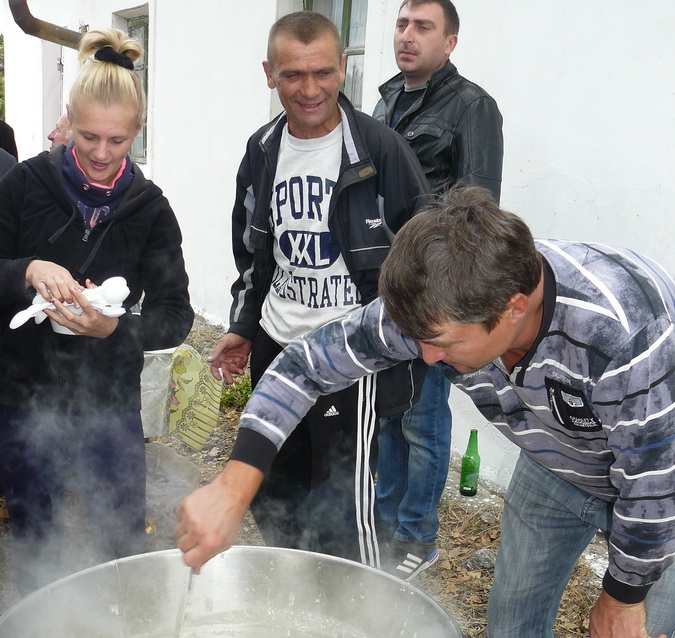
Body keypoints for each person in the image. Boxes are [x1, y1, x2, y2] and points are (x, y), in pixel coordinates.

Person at [177, 187, 675, 638]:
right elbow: (303, 364)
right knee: (512, 616)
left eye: (440, 345)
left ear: (514, 307)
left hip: (661, 477)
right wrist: (234, 484)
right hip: (560, 460)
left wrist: (621, 597)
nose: (422, 356)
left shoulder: (623, 329)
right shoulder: (439, 301)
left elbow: (653, 486)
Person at [207, 11, 429, 568]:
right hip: (278, 349)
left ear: (343, 70)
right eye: (292, 76)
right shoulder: (261, 151)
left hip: (350, 361)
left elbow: (426, 257)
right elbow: (254, 255)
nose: (310, 90)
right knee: (277, 493)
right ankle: (294, 600)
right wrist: (242, 328)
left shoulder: (382, 151)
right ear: (269, 74)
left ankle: (357, 618)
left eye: (323, 73)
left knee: (345, 513)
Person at [0, 28, 193, 596]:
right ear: (67, 122)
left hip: (107, 403)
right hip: (21, 394)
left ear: (138, 131)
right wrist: (27, 269)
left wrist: (114, 327)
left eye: (117, 140)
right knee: (35, 531)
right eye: (88, 138)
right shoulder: (23, 186)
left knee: (120, 536)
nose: (103, 154)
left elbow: (174, 314)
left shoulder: (150, 210)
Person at [374, 0, 503, 580]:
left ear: (449, 42)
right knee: (385, 412)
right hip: (378, 286)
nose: (407, 36)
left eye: (422, 27)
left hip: (430, 293)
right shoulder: (383, 101)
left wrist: (449, 299)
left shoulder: (472, 107)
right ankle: (382, 527)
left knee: (422, 419)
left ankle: (417, 538)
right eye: (402, 24)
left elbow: (478, 214)